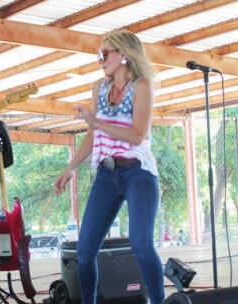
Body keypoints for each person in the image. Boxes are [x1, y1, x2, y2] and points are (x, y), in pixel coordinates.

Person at [54, 29, 164, 304]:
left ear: (124, 55)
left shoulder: (142, 85)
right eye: (98, 55)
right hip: (106, 174)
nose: (100, 60)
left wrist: (98, 123)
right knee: (85, 251)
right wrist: (70, 169)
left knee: (141, 244)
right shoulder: (99, 88)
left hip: (137, 173)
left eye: (104, 54)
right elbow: (93, 136)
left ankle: (160, 301)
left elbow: (138, 134)